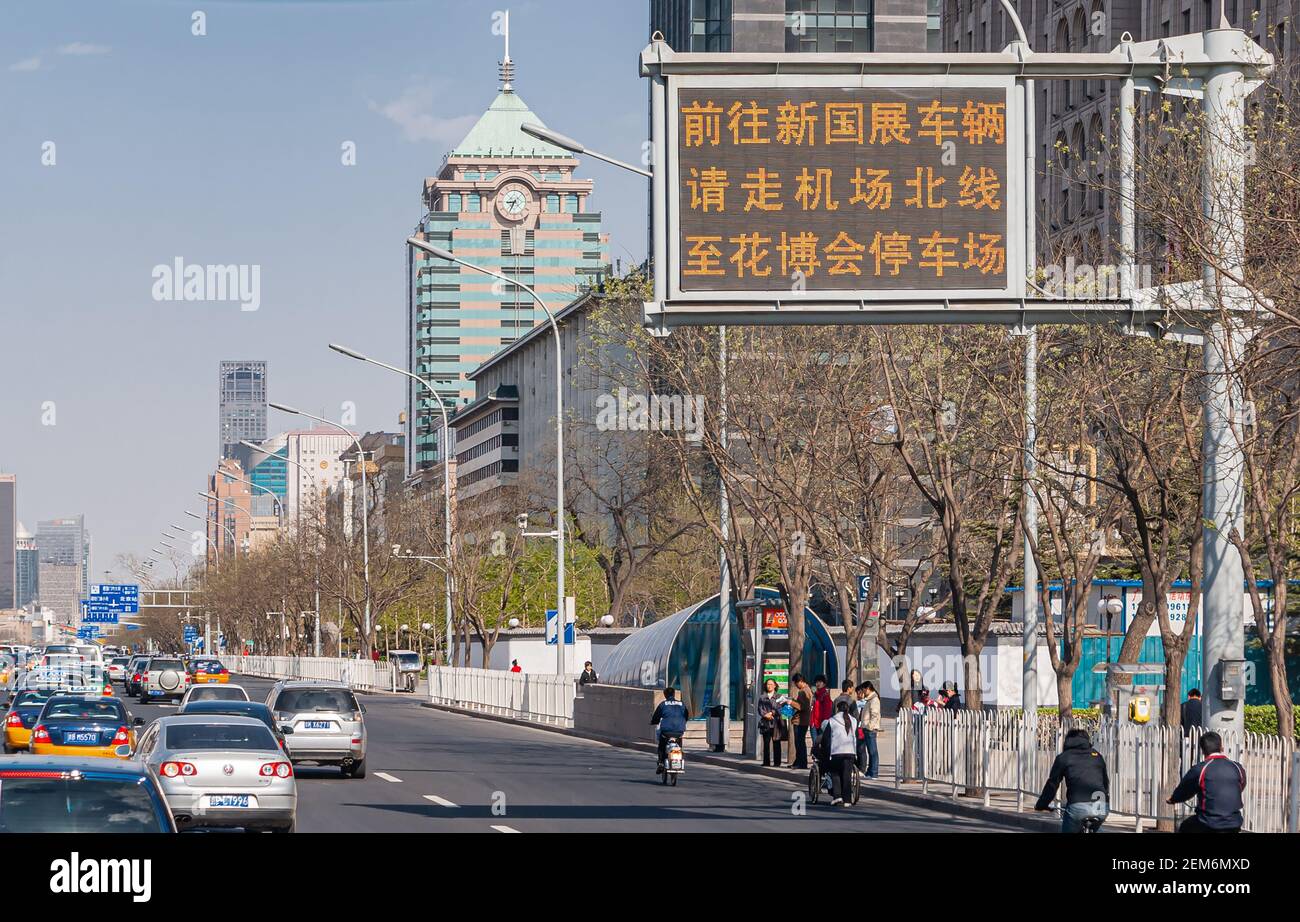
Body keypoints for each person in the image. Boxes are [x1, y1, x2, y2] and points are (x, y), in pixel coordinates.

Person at [1034, 728, 1110, 832]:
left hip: (1077, 807)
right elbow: (1105, 783)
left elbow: (1052, 784)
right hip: (1101, 806)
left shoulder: (1064, 758)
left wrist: (1042, 804)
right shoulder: (1097, 756)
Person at [1168, 731, 1246, 833]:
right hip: (1234, 823)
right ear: (1221, 748)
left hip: (1208, 823)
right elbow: (1241, 786)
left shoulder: (1200, 769)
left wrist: (1173, 799)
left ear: (1203, 750)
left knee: (1185, 826)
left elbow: (1184, 790)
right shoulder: (1237, 767)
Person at [817, 698, 859, 806]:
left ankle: (837, 796)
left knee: (835, 773)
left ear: (837, 709)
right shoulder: (854, 721)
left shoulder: (832, 720)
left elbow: (826, 738)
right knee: (847, 775)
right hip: (850, 752)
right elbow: (857, 736)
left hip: (836, 751)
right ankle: (847, 800)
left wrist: (825, 750)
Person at [650, 686, 689, 773]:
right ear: (674, 694)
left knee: (662, 745)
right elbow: (686, 716)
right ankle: (680, 753)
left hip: (666, 731)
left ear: (665, 695)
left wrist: (653, 722)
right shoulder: (682, 704)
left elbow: (656, 717)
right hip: (679, 731)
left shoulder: (663, 704)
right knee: (678, 741)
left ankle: (660, 762)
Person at [757, 678, 788, 768]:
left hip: (776, 723)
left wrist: (772, 713)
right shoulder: (762, 697)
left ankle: (777, 763)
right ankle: (766, 762)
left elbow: (782, 708)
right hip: (766, 723)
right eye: (767, 684)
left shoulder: (779, 696)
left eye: (771, 684)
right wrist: (765, 715)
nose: (769, 686)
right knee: (766, 743)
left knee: (776, 743)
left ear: (775, 685)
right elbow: (760, 708)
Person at [856, 681, 881, 778]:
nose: (863, 692)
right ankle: (870, 771)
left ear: (868, 689)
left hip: (870, 728)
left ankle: (874, 772)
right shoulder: (870, 699)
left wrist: (870, 726)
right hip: (866, 727)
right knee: (870, 751)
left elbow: (874, 715)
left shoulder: (874, 700)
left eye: (863, 690)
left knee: (872, 751)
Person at [789, 673, 813, 769]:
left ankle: (802, 763)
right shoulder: (805, 690)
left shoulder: (804, 691)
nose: (795, 685)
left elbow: (803, 706)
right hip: (800, 720)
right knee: (798, 742)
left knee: (800, 742)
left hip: (801, 721)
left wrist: (791, 702)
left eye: (796, 683)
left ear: (800, 681)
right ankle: (798, 761)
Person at [810, 674, 833, 752]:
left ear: (824, 683)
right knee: (815, 744)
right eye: (816, 682)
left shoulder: (825, 695)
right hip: (814, 723)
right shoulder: (815, 695)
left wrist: (824, 723)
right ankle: (815, 761)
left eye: (820, 682)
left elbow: (827, 711)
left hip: (822, 724)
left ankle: (820, 762)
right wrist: (812, 721)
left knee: (820, 744)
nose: (818, 683)